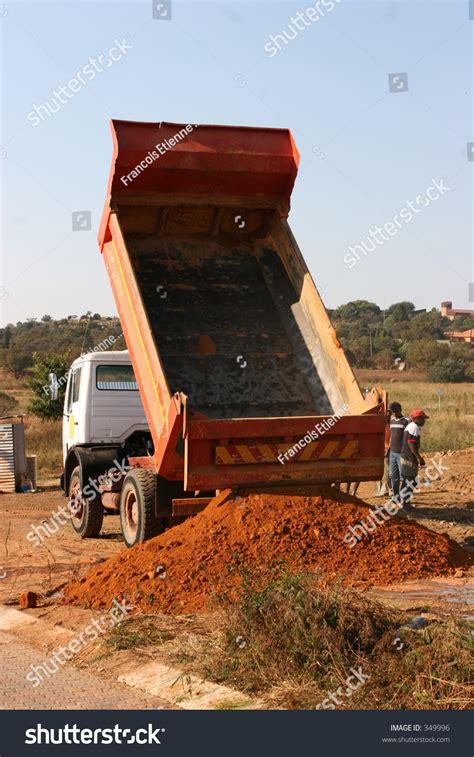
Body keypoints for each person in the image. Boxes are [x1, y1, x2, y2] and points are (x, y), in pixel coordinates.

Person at [399, 409, 429, 510]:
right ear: (417, 418)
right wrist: (418, 457)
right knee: (410, 481)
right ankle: (405, 504)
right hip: (409, 458)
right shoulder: (414, 427)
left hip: (405, 457)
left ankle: (404, 501)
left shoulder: (411, 426)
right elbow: (410, 443)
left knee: (408, 480)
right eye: (423, 419)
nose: (424, 421)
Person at [388, 402, 409, 500]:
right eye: (392, 412)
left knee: (403, 476)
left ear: (400, 410)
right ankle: (395, 497)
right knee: (393, 476)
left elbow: (408, 438)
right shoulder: (392, 421)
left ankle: (404, 497)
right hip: (392, 453)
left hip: (401, 453)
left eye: (395, 412)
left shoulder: (406, 421)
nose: (394, 414)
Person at [373, 409, 391, 496]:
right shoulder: (389, 427)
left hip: (382, 450)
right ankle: (383, 490)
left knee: (382, 471)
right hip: (385, 451)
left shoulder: (380, 426)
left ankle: (380, 490)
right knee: (386, 471)